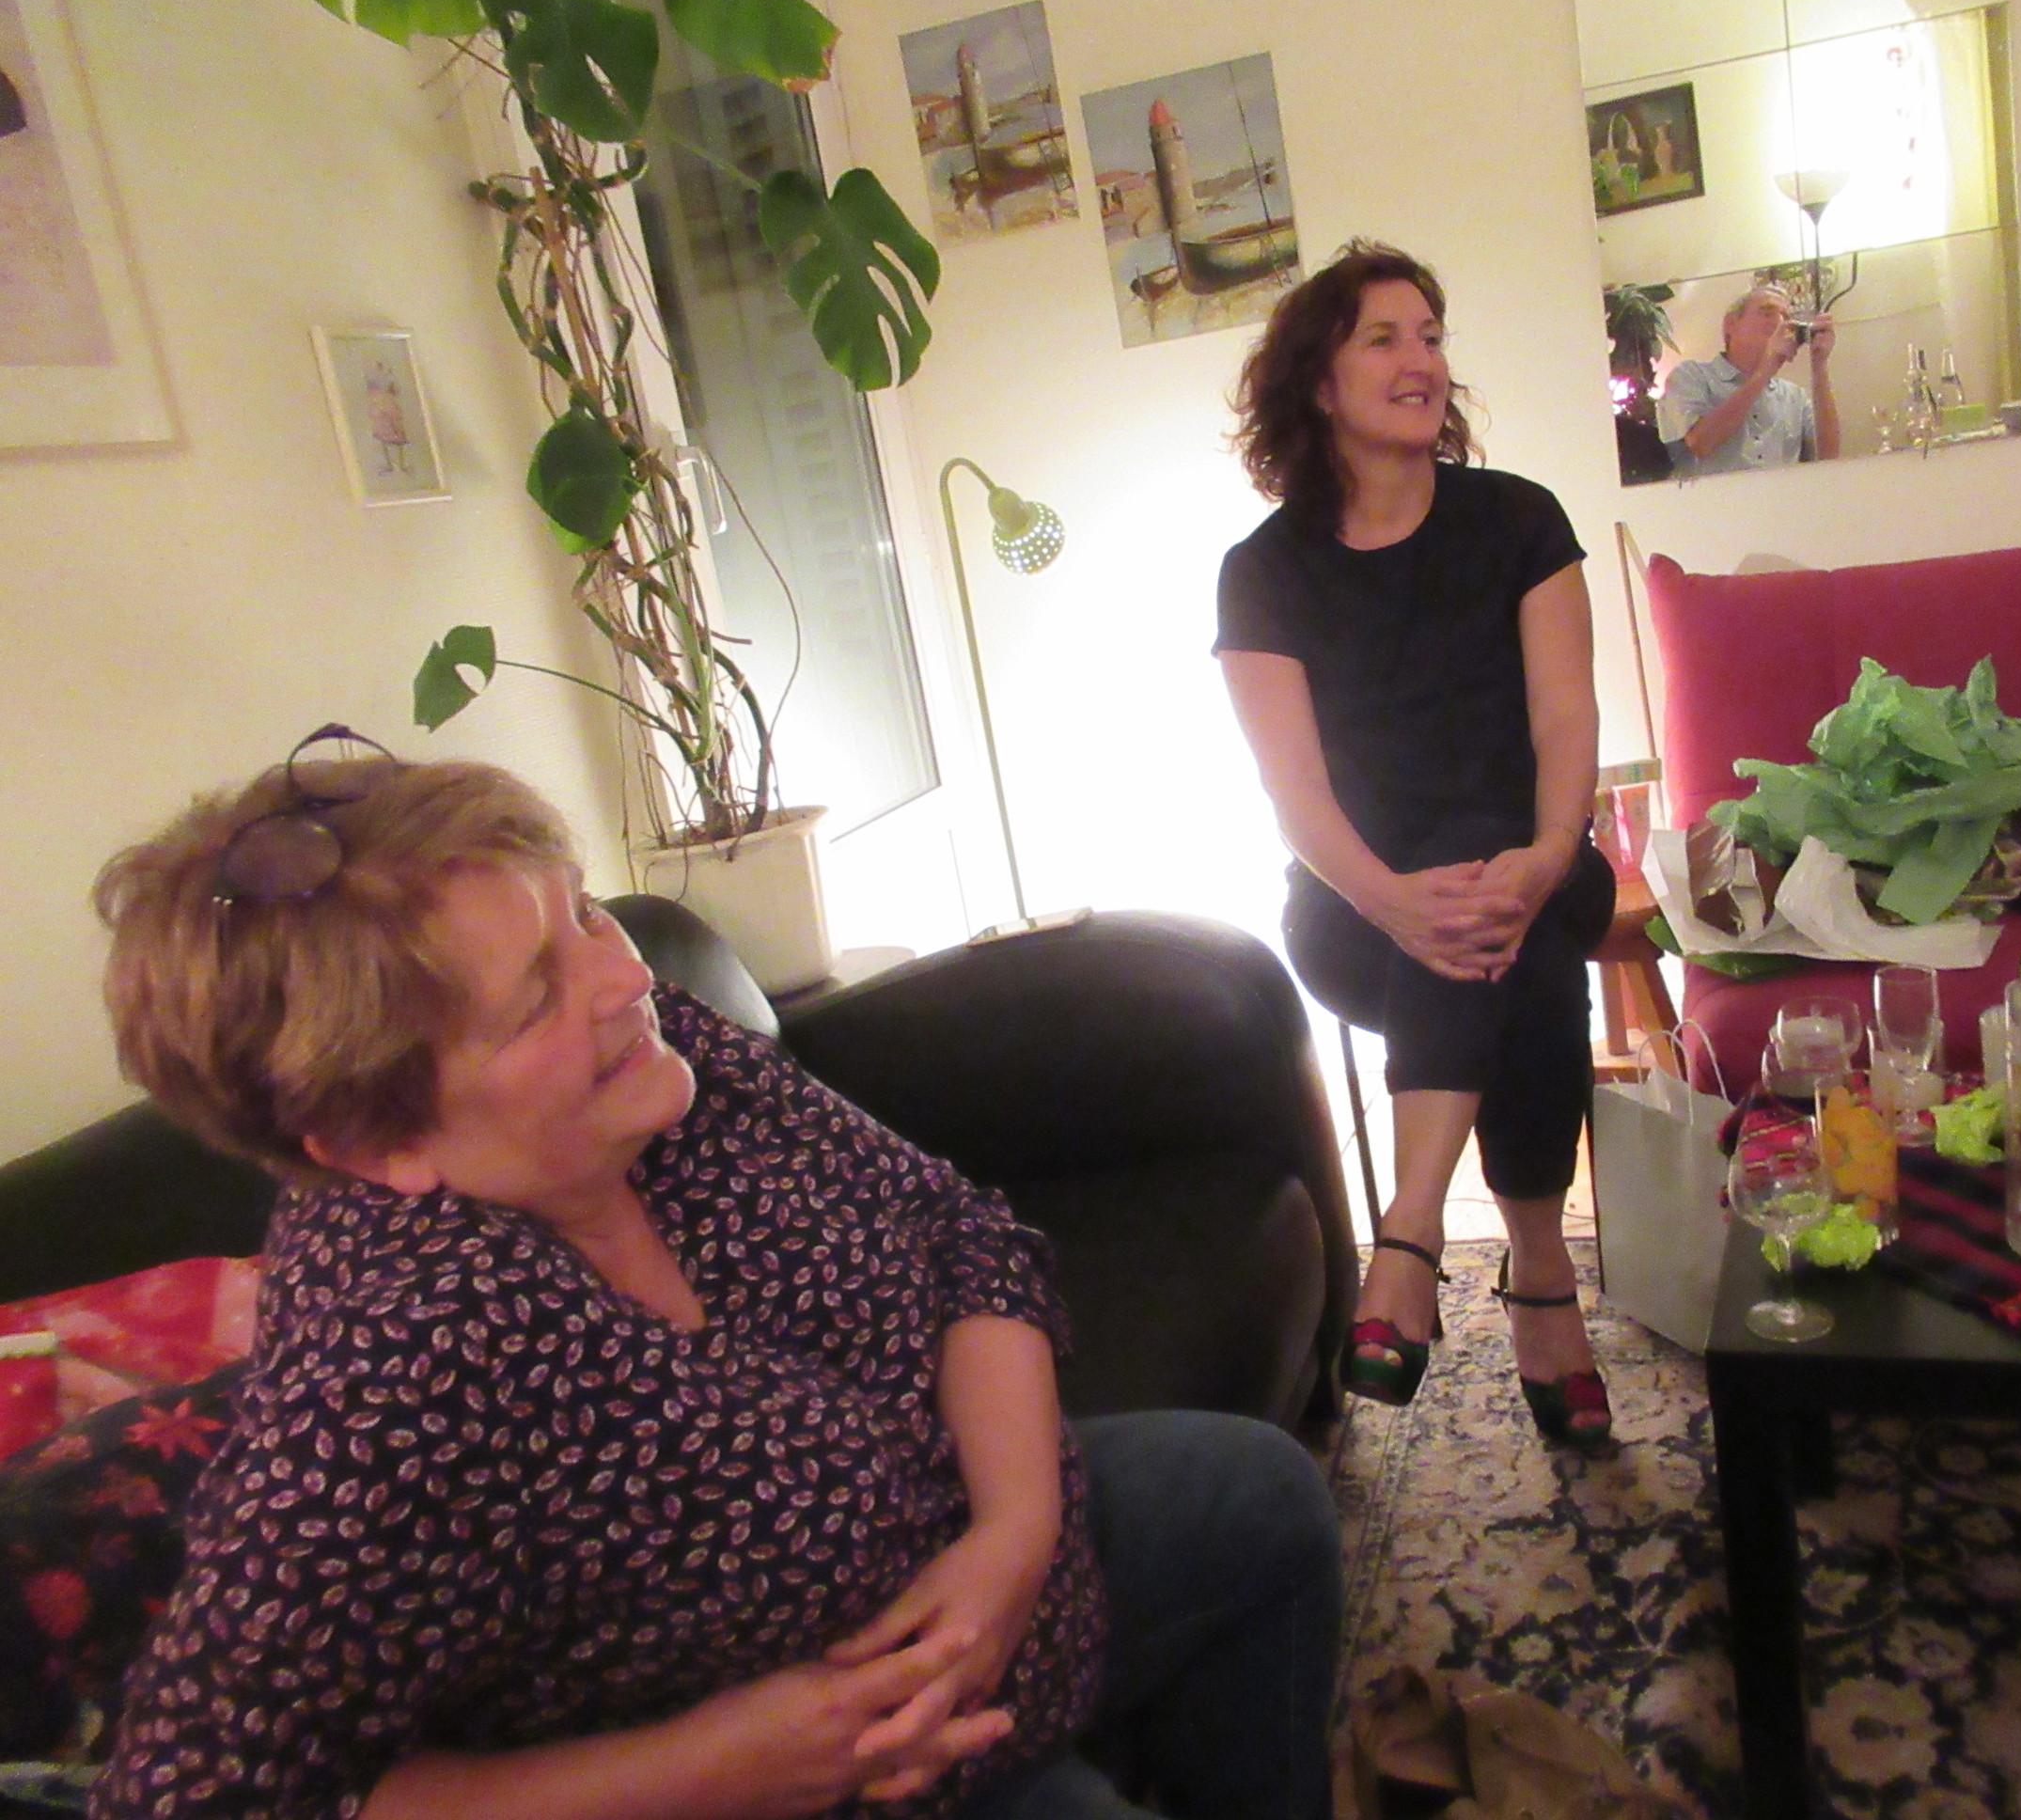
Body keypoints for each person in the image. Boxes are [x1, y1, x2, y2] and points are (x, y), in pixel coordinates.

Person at [86, 728, 1340, 1820]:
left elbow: (959, 1232)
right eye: (535, 997)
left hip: (1010, 1578)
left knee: (1261, 1500)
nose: (627, 974)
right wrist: (709, 1769)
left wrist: (1012, 1539)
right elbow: (203, 1800)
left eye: (582, 911)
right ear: (377, 1143)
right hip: (878, 1785)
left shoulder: (664, 1063)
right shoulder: (395, 1371)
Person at [1214, 243, 1616, 1450]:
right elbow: (1293, 791)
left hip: (1541, 868)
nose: (1421, 360)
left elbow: (1567, 719)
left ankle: (1410, 1237)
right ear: (1318, 382)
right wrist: (1394, 900)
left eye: (1432, 336)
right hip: (1354, 906)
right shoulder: (1262, 574)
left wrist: (1546, 852)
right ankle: (1541, 1281)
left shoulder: (1519, 520)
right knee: (1512, 954)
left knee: (1504, 897)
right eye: (1384, 338)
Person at [1656, 283, 1840, 477]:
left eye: (1785, 317)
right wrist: (1765, 371)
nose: (1780, 322)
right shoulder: (1690, 375)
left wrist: (1819, 363)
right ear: (1730, 324)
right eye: (1767, 312)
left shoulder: (1794, 397)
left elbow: (1828, 457)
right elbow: (1699, 444)